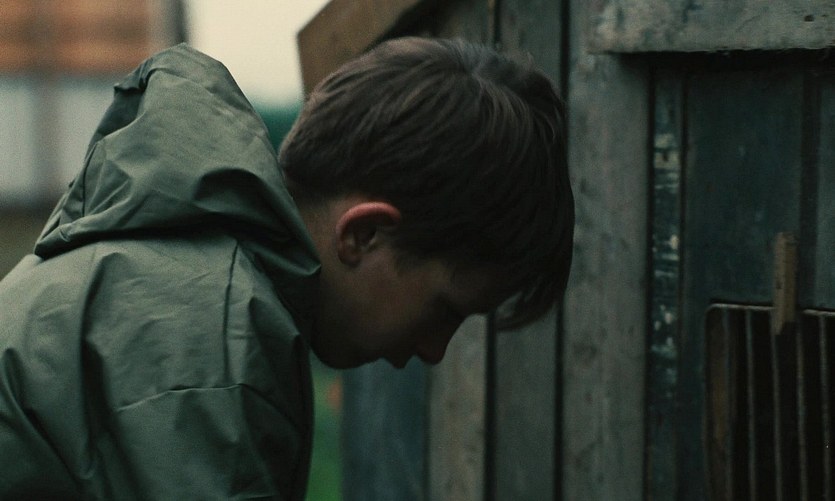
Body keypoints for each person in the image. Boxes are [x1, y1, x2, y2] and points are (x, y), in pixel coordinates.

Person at [0, 38, 573, 499]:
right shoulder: (208, 340)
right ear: (363, 234)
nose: (434, 350)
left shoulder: (190, 279)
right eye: (445, 311)